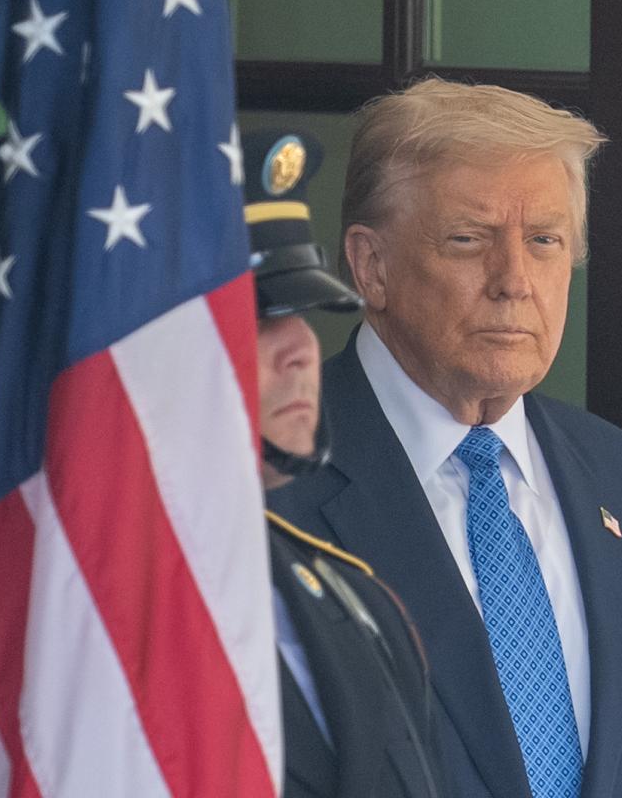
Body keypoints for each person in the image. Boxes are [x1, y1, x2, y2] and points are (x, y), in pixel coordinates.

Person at [268, 79, 622, 798]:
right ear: (371, 267)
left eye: (544, 241)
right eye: (469, 240)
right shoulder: (262, 485)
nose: (514, 281)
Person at [244, 129, 448, 798]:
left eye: (299, 312)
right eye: (253, 316)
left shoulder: (357, 598)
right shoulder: (86, 607)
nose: (301, 347)